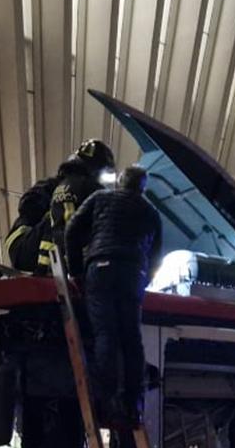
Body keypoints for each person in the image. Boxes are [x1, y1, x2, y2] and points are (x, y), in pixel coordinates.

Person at [65, 165, 163, 427]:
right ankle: (134, 404)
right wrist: (144, 279)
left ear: (120, 182)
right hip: (132, 274)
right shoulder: (150, 212)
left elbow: (72, 230)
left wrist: (76, 270)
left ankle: (106, 404)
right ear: (142, 188)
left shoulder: (99, 199)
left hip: (100, 267)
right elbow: (156, 255)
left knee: (105, 334)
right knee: (131, 339)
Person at [4, 138, 113, 274]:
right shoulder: (62, 186)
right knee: (61, 216)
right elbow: (28, 206)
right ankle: (47, 269)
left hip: (33, 247)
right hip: (21, 243)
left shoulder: (76, 188)